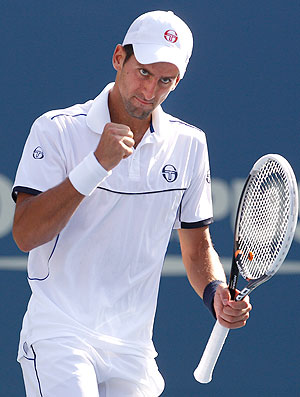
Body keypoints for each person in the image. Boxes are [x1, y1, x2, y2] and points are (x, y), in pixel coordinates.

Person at [12, 10, 251, 397]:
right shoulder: (56, 129)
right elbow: (25, 235)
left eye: (165, 81)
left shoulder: (190, 144)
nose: (150, 90)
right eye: (143, 72)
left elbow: (196, 246)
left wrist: (215, 292)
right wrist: (95, 166)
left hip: (133, 348)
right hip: (60, 334)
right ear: (119, 57)